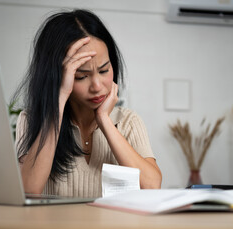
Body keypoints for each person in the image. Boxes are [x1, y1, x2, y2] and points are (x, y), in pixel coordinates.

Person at [13, 9, 162, 198]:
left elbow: (151, 185)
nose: (97, 86)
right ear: (57, 76)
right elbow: (28, 189)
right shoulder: (31, 119)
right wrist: (59, 99)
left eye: (104, 70)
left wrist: (104, 121)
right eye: (81, 76)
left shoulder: (128, 121)